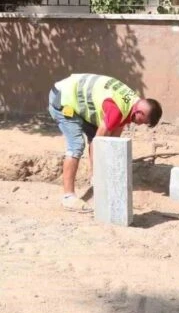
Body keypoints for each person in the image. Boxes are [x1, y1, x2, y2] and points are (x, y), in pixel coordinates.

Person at [48, 73, 162, 212]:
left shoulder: (133, 104)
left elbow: (113, 140)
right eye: (141, 122)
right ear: (140, 113)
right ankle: (68, 197)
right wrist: (102, 172)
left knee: (95, 135)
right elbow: (99, 143)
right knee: (77, 145)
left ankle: (95, 179)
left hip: (78, 99)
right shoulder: (118, 109)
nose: (138, 125)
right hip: (63, 98)